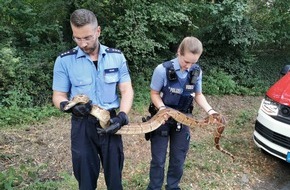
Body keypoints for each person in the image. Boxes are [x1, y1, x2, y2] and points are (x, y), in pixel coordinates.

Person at [52, 9, 134, 190]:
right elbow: (58, 96)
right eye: (77, 38)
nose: (83, 43)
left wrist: (122, 116)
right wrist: (68, 107)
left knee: (115, 179)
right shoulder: (64, 61)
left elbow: (126, 90)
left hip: (110, 121)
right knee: (86, 180)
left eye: (87, 37)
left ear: (98, 31)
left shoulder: (116, 57)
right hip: (82, 125)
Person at [146, 36, 218, 190]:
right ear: (179, 52)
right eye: (186, 61)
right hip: (162, 118)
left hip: (183, 120)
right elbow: (154, 93)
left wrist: (211, 111)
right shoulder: (162, 70)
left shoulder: (196, 71)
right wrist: (162, 108)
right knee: (158, 159)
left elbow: (198, 95)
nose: (189, 66)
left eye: (194, 62)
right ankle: (154, 187)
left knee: (178, 159)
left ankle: (172, 186)